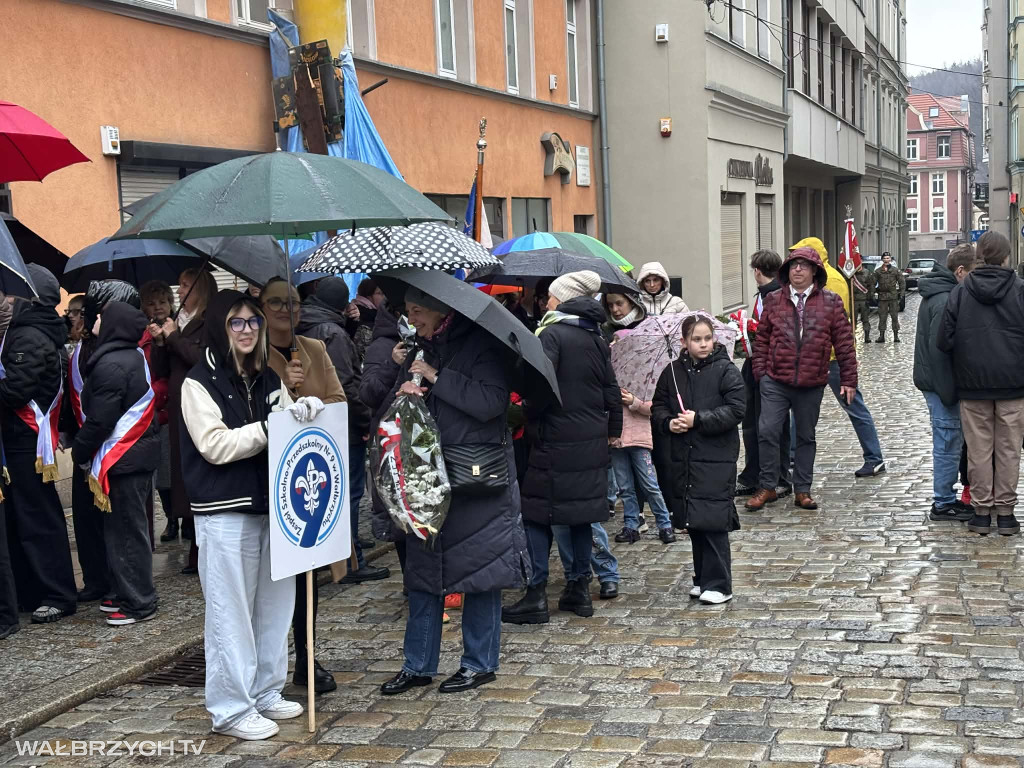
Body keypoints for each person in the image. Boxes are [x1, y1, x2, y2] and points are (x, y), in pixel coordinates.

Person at [181, 289, 318, 740]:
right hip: (224, 511)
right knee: (230, 613)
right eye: (236, 323)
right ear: (221, 327)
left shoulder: (267, 379)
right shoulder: (199, 382)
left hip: (269, 508)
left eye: (253, 322)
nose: (246, 331)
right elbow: (215, 446)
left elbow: (286, 431)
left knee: (275, 606)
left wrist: (304, 414)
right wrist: (268, 428)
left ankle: (265, 690)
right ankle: (231, 708)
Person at [378, 288, 529, 696]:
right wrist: (403, 391)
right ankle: (418, 664)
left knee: (481, 572)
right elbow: (387, 406)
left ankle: (479, 664)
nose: (412, 319)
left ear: (440, 308)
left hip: (475, 478)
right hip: (427, 477)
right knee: (423, 574)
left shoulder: (481, 345)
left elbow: (491, 403)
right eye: (407, 311)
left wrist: (436, 378)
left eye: (417, 311)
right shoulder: (419, 349)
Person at [503, 270, 622, 625]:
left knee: (537, 514)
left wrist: (519, 413)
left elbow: (541, 390)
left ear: (564, 300)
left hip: (554, 439)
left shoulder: (551, 334)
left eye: (552, 297)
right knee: (580, 515)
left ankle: (536, 595)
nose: (546, 302)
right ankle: (578, 591)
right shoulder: (595, 336)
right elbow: (610, 390)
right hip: (589, 440)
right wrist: (612, 429)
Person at [746, 247, 858, 512]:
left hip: (811, 381)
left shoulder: (830, 301)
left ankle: (803, 490)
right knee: (768, 430)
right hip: (775, 379)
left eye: (804, 265)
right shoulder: (773, 300)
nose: (798, 269)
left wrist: (849, 379)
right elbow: (761, 339)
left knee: (805, 436)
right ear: (787, 271)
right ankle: (768, 486)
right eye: (793, 265)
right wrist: (761, 374)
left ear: (814, 271)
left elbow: (844, 342)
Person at [71, 301, 160, 625]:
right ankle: (128, 592)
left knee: (127, 532)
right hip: (134, 457)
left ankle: (140, 602)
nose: (95, 320)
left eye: (101, 317)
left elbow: (100, 419)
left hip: (126, 458)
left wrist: (80, 450)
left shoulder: (112, 363)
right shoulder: (130, 355)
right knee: (123, 529)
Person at [294, 277, 384, 584]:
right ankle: (349, 561)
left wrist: (350, 327)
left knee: (325, 493)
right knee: (350, 493)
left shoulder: (305, 322)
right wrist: (364, 423)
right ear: (341, 304)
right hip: (339, 422)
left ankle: (334, 556)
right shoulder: (331, 332)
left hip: (314, 421)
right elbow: (346, 384)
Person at [1, 265, 77, 623]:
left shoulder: (28, 336)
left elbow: (16, 390)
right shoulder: (24, 331)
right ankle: (34, 590)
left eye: (10, 293)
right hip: (19, 442)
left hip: (25, 442)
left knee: (38, 519)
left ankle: (57, 593)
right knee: (24, 519)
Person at [652, 314, 745, 604]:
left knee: (713, 518)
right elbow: (658, 407)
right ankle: (702, 577)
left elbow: (735, 409)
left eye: (707, 338)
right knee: (693, 518)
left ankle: (720, 583)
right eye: (697, 339)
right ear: (684, 342)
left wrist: (699, 419)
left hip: (715, 456)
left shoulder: (726, 370)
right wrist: (670, 423)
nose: (703, 344)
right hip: (684, 456)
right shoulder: (672, 372)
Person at [938, 231, 1024, 536]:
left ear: (980, 256)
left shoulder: (961, 292)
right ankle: (1006, 515)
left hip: (973, 385)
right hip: (1014, 385)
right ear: (1006, 256)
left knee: (978, 450)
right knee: (1009, 450)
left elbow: (943, 340)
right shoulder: (1020, 289)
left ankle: (981, 514)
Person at [790, 237, 886, 478]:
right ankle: (791, 458)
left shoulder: (830, 280)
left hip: (830, 358)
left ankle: (874, 458)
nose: (797, 265)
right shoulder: (823, 276)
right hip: (820, 356)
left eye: (801, 258)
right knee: (799, 408)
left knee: (853, 406)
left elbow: (827, 321)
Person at [150, 268, 217, 571]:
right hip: (178, 406)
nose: (180, 291)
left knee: (199, 469)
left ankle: (202, 546)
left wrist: (174, 337)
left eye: (186, 285)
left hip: (200, 404)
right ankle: (193, 542)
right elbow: (162, 369)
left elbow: (202, 358)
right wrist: (161, 343)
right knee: (181, 471)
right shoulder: (177, 320)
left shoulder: (208, 320)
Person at [603, 292, 676, 545]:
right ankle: (631, 524)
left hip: (639, 437)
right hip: (616, 439)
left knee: (649, 483)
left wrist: (632, 402)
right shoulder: (609, 381)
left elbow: (653, 408)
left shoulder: (645, 379)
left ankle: (664, 522)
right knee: (625, 487)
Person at [914, 244, 978, 523]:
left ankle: (946, 499)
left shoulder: (944, 292)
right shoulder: (944, 298)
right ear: (960, 271)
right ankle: (943, 502)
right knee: (948, 442)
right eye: (973, 273)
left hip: (939, 383)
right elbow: (939, 352)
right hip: (941, 385)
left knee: (949, 441)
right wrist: (950, 392)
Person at [735, 250, 792, 498]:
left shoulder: (777, 295)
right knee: (751, 423)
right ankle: (753, 474)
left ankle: (779, 477)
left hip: (771, 367)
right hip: (754, 364)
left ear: (757, 270)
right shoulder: (765, 294)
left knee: (772, 426)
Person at [140, 281, 175, 540]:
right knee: (162, 472)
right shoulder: (142, 334)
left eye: (162, 301)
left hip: (171, 404)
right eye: (152, 303)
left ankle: (183, 518)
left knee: (174, 469)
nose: (158, 307)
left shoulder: (178, 328)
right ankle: (171, 517)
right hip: (152, 409)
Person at [874, 252, 905, 343]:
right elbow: (872, 283)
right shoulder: (878, 271)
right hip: (882, 297)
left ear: (890, 259)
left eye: (888, 258)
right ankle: (881, 336)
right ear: (882, 260)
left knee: (894, 316)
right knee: (882, 317)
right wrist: (873, 293)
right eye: (885, 258)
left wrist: (902, 294)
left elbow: (902, 282)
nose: (886, 260)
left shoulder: (895, 271)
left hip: (893, 297)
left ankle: (896, 336)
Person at [353, 278, 386, 361]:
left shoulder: (378, 313)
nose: (384, 297)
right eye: (380, 293)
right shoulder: (363, 315)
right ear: (368, 297)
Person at [851, 263, 875, 343]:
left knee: (865, 319)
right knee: (853, 320)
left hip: (864, 300)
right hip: (853, 300)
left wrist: (870, 296)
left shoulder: (867, 272)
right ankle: (852, 337)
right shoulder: (851, 273)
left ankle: (867, 337)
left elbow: (871, 285)